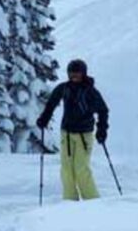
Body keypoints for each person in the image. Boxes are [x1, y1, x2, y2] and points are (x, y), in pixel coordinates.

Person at [36, 58, 109, 201]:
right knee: (66, 170)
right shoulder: (64, 88)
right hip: (67, 134)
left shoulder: (90, 91)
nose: (74, 76)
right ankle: (70, 203)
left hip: (84, 135)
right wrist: (44, 118)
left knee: (81, 169)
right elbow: (51, 103)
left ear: (84, 73)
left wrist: (102, 130)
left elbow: (103, 110)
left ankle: (93, 202)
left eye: (77, 73)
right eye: (71, 73)